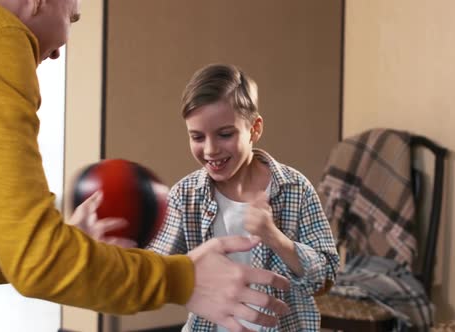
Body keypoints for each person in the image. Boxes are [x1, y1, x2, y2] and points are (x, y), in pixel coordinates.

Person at [0, 1, 292, 330]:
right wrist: (184, 280)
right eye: (73, 17)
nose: (61, 51)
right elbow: (39, 264)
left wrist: (46, 243)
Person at [146, 64, 340, 331]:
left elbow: (325, 279)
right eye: (197, 137)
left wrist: (274, 236)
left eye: (225, 134)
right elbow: (155, 271)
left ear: (255, 129)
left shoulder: (296, 188)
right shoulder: (185, 196)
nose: (211, 150)